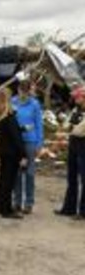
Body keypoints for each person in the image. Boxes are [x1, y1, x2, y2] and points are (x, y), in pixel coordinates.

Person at [0, 88, 27, 219]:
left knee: (3, 178)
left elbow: (7, 132)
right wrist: (23, 154)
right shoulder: (10, 116)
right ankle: (6, 209)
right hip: (12, 152)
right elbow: (16, 138)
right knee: (9, 180)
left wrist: (21, 129)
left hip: (3, 149)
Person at [12, 80, 44, 215]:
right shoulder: (12, 102)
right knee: (17, 173)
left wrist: (39, 143)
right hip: (16, 141)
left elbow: (39, 124)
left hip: (30, 141)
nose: (24, 94)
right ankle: (17, 202)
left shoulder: (35, 104)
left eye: (26, 92)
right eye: (22, 91)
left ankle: (29, 203)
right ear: (18, 90)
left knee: (29, 173)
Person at [55, 87, 85, 220]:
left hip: (83, 144)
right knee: (71, 177)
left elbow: (79, 130)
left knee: (84, 179)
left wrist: (68, 130)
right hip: (74, 144)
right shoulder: (76, 110)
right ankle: (69, 207)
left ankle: (83, 211)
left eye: (78, 97)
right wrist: (63, 127)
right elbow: (67, 124)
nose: (75, 99)